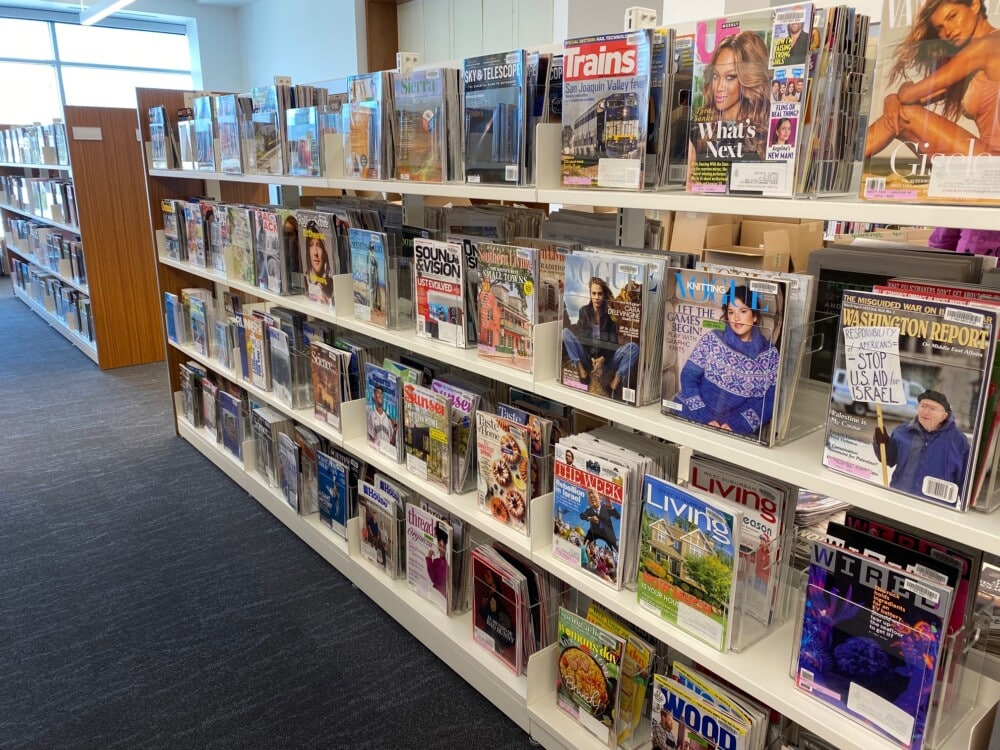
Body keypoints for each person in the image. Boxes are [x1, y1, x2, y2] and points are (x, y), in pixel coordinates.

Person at [864, 0, 1000, 159]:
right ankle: (848, 162)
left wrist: (899, 94)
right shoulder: (978, 56)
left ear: (975, 5)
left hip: (993, 161)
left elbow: (908, 95)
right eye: (940, 28)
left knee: (904, 115)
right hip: (988, 158)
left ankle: (845, 163)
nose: (948, 31)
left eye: (952, 17)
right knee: (899, 114)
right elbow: (913, 99)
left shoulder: (986, 46)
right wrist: (891, 99)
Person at [676, 285, 779, 436]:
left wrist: (738, 425)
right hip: (693, 415)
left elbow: (770, 400)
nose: (736, 318)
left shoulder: (770, 355)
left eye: (743, 311)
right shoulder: (712, 339)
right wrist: (704, 417)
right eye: (731, 312)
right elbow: (688, 377)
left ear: (755, 315)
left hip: (734, 430)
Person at [688, 29, 771, 172]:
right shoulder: (697, 130)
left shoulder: (765, 129)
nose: (719, 87)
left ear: (748, 79)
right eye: (715, 76)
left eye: (730, 77)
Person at [872, 389, 971, 500]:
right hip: (899, 500)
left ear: (944, 416)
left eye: (932, 408)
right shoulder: (903, 431)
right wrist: (881, 444)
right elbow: (889, 459)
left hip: (937, 509)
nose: (925, 412)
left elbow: (965, 481)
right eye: (923, 406)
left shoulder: (958, 441)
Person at [562, 276, 640, 398]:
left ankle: (614, 383)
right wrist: (592, 359)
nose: (597, 297)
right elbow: (583, 339)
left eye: (600, 294)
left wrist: (602, 359)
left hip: (607, 359)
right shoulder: (584, 311)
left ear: (604, 295)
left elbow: (613, 343)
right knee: (565, 333)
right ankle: (582, 371)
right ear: (590, 294)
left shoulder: (610, 314)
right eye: (594, 293)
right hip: (587, 358)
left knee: (634, 347)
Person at [580, 489, 620, 553]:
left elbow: (618, 517)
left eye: (594, 497)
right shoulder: (589, 510)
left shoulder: (606, 508)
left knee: (616, 551)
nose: (592, 500)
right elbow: (582, 516)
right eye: (590, 499)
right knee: (584, 545)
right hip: (594, 532)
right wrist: (590, 518)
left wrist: (611, 507)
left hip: (607, 533)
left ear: (600, 499)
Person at [303, 220, 333, 305]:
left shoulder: (332, 284)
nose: (315, 252)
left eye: (319, 246)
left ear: (324, 251)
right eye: (311, 245)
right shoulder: (305, 281)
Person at [367, 384, 396, 456]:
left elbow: (392, 443)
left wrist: (395, 431)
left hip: (388, 454)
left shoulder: (388, 418)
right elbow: (371, 439)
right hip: (376, 453)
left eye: (381, 393)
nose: (380, 395)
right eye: (378, 392)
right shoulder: (372, 416)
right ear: (374, 397)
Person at [426, 522, 450, 606]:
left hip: (444, 598)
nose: (442, 548)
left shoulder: (448, 565)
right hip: (435, 595)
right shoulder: (436, 561)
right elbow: (433, 578)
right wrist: (429, 558)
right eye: (440, 544)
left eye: (444, 545)